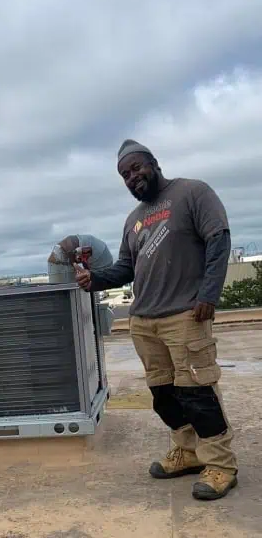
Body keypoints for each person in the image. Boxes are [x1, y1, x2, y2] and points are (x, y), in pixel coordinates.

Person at [67, 139, 238, 501]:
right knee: (165, 396)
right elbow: (126, 269)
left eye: (136, 168)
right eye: (125, 175)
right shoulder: (134, 220)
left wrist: (208, 294)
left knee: (198, 393)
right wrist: (94, 280)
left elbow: (219, 240)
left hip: (185, 316)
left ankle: (221, 466)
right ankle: (188, 453)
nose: (132, 177)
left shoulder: (192, 192)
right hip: (144, 321)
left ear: (154, 163)